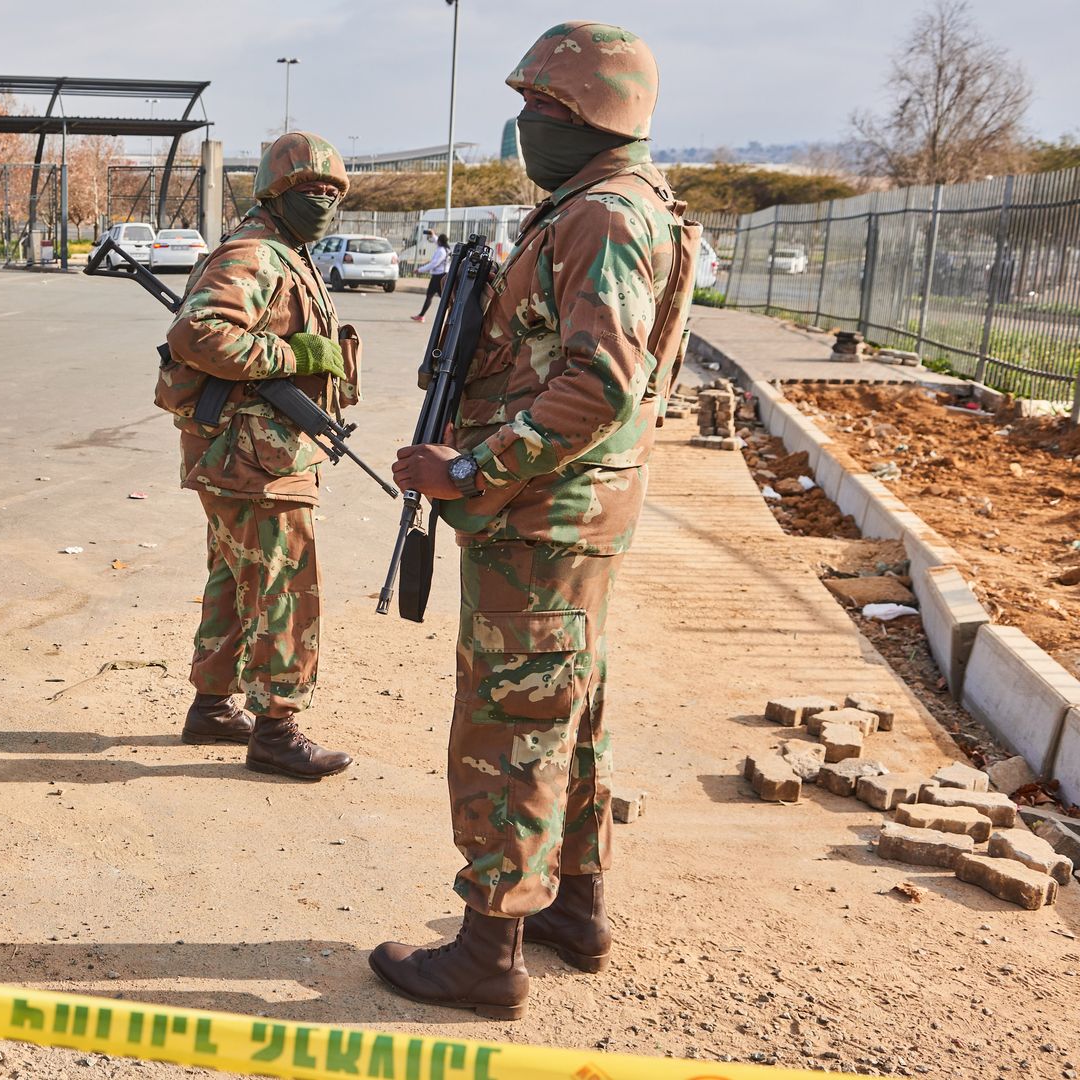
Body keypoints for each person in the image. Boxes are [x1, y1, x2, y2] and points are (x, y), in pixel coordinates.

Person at [368, 21, 698, 1019]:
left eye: (539, 108)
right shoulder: (627, 206)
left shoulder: (599, 217)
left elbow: (599, 383)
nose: (523, 126)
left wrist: (468, 465)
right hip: (579, 512)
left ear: (589, 114)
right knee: (569, 707)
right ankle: (574, 904)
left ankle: (488, 951)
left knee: (510, 720)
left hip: (542, 516)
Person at [158, 131, 363, 781]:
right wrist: (295, 358)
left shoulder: (282, 250)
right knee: (284, 583)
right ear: (276, 192)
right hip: (256, 459)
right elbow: (198, 333)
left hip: (246, 455)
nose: (325, 201)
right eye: (312, 190)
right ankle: (277, 727)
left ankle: (213, 706)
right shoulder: (256, 254)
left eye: (335, 191)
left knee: (234, 578)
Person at [409, 232, 452, 322]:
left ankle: (452, 314)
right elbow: (437, 241)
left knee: (435, 296)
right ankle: (421, 315)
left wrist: (420, 270)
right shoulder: (446, 249)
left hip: (438, 277)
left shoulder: (441, 251)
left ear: (440, 242)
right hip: (442, 275)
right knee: (440, 296)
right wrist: (433, 235)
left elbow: (433, 264)